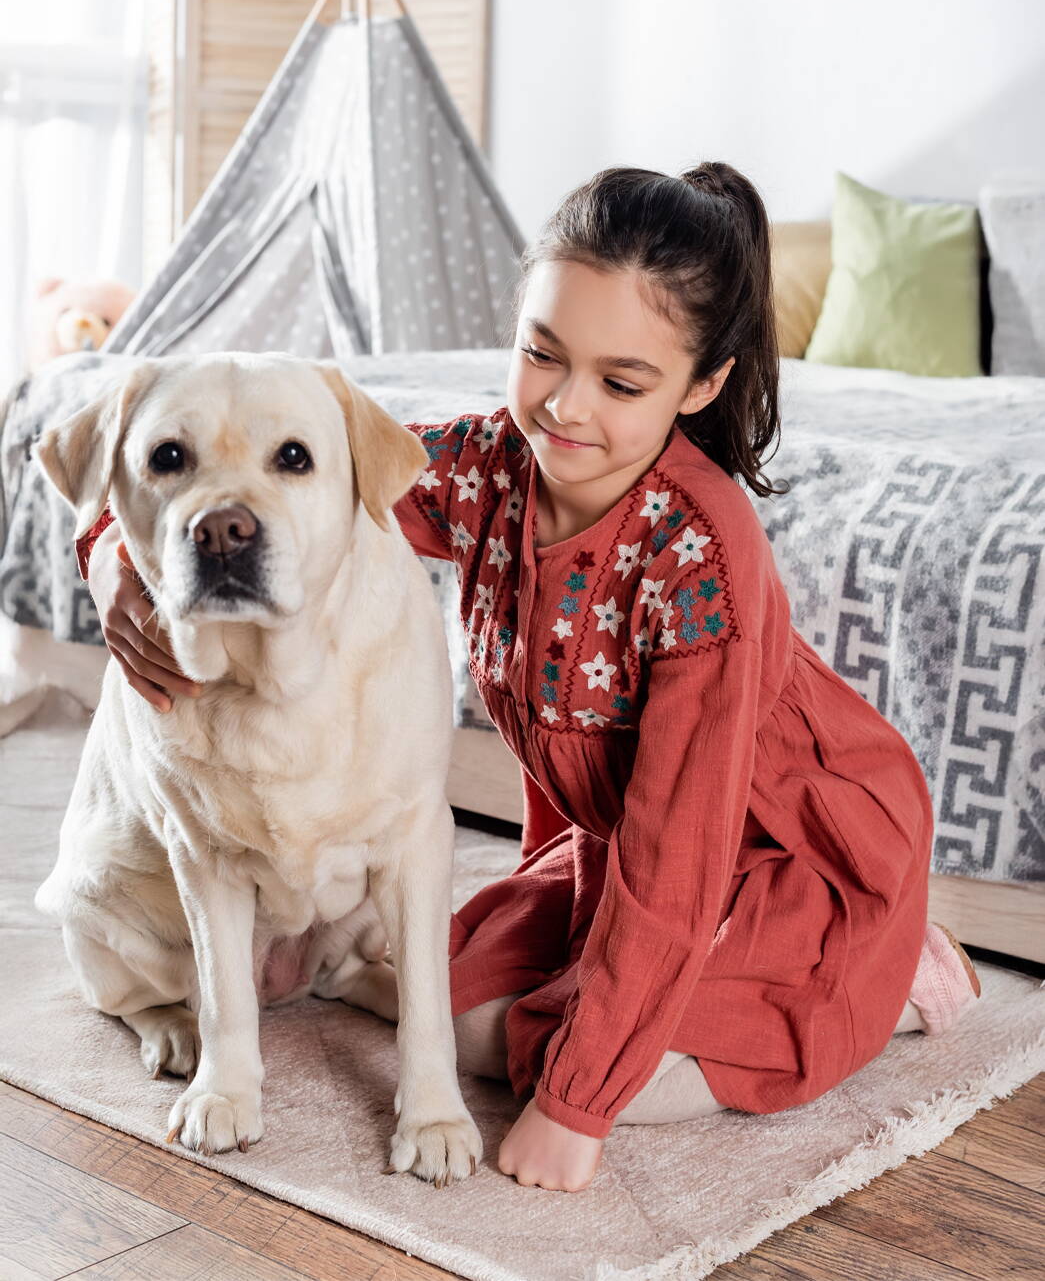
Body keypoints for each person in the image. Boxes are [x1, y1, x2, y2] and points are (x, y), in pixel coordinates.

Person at [76, 162, 982, 1195]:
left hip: (787, 849)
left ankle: (898, 965)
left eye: (621, 382)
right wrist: (117, 555)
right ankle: (617, 1008)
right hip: (617, 849)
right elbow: (314, 482)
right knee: (453, 1019)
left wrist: (575, 1108)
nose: (563, 407)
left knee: (583, 1066)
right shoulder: (490, 467)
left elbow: (678, 854)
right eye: (540, 354)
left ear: (701, 386)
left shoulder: (701, 563)